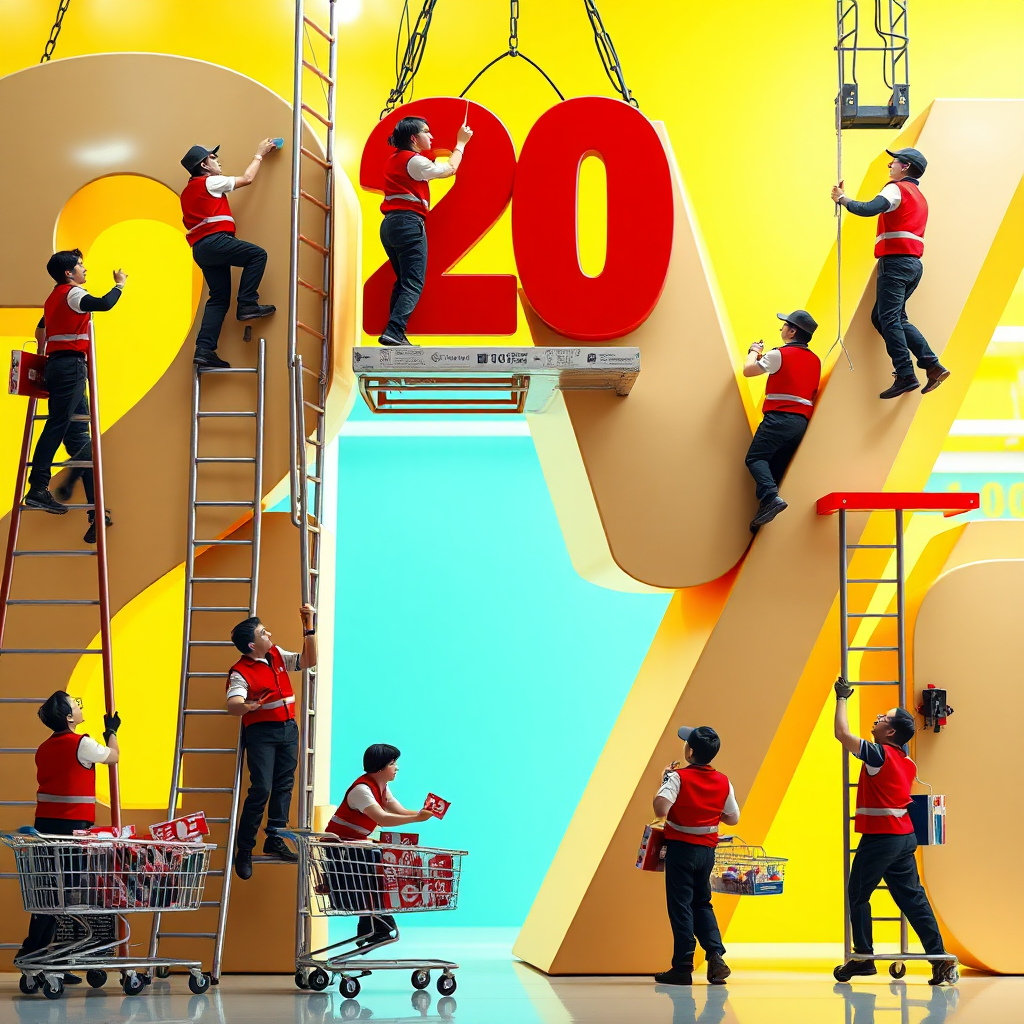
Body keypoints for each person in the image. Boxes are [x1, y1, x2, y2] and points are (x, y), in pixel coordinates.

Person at [832, 678, 957, 985]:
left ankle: (863, 957)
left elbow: (842, 734)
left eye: (883, 718)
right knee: (913, 899)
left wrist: (842, 699)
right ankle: (939, 958)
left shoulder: (879, 754)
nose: (877, 719)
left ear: (890, 732)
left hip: (881, 839)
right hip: (904, 837)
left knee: (857, 895)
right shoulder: (907, 761)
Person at [16, 691, 120, 977]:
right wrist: (111, 731)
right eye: (76, 705)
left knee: (50, 892)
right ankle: (70, 954)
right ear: (69, 717)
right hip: (74, 830)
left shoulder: (43, 748)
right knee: (73, 892)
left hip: (44, 827)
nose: (79, 707)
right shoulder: (82, 744)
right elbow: (113, 757)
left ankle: (35, 951)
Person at [832, 147, 949, 399]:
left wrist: (842, 198)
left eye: (892, 162)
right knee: (886, 318)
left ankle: (906, 374)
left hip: (895, 263)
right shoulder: (919, 196)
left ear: (905, 166)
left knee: (889, 319)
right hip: (913, 265)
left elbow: (869, 208)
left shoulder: (896, 188)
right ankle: (932, 365)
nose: (890, 166)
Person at [24, 250, 125, 543]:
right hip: (70, 367)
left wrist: (47, 353)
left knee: (81, 441)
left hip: (58, 365)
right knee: (56, 425)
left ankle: (96, 513)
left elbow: (40, 330)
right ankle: (38, 488)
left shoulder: (53, 297)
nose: (84, 269)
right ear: (69, 272)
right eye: (80, 265)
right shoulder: (73, 294)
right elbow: (104, 304)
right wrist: (119, 284)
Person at [226, 603, 317, 879]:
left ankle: (275, 838)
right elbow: (233, 704)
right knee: (262, 788)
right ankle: (244, 848)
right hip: (262, 734)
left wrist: (309, 626)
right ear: (253, 646)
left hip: (289, 729)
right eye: (264, 633)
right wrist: (246, 706)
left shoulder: (276, 654)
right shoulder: (240, 671)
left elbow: (308, 660)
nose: (270, 635)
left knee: (284, 785)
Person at [652, 726, 740, 987]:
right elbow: (733, 818)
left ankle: (682, 966)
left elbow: (660, 810)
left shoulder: (678, 778)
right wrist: (711, 812)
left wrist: (666, 780)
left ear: (689, 751)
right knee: (702, 903)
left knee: (681, 905)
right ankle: (715, 956)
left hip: (681, 851)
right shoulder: (724, 781)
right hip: (706, 852)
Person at [180, 140, 279, 369]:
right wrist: (259, 154)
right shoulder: (211, 182)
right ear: (204, 165)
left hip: (201, 250)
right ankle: (246, 304)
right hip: (216, 242)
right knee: (257, 255)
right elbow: (247, 179)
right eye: (213, 158)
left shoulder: (187, 193)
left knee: (218, 298)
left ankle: (204, 351)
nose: (218, 161)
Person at [324, 743, 434, 947]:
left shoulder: (382, 787)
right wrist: (418, 819)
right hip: (340, 850)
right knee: (374, 871)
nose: (397, 768)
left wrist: (422, 813)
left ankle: (371, 928)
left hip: (354, 847)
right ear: (380, 767)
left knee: (377, 870)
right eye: (393, 763)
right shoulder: (361, 790)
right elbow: (382, 818)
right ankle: (379, 926)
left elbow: (398, 810)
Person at [377, 115, 473, 346]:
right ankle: (394, 331)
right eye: (426, 132)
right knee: (412, 282)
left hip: (390, 225)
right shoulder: (415, 162)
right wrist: (460, 143)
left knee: (402, 282)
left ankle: (395, 333)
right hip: (409, 223)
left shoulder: (394, 160)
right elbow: (449, 169)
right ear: (414, 137)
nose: (431, 136)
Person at [743, 310, 822, 531]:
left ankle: (770, 498)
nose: (782, 329)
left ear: (792, 330)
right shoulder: (815, 360)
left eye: (784, 325)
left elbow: (748, 371)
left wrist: (754, 351)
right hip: (800, 424)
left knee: (755, 458)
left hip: (778, 419)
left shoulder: (779, 354)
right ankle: (763, 515)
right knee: (776, 468)